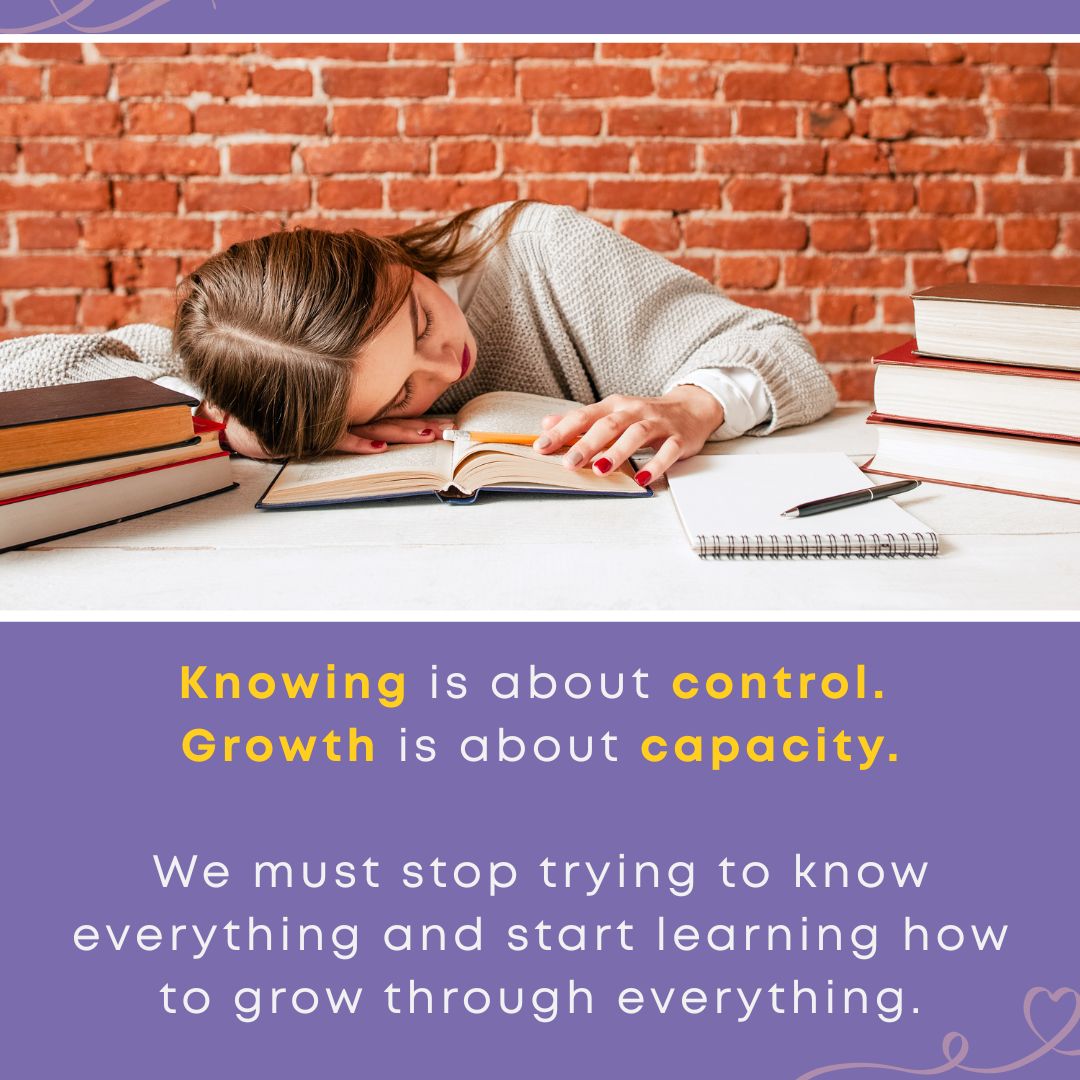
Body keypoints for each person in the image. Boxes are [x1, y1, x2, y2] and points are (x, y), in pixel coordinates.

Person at [1, 201, 836, 485]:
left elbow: (782, 351)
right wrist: (235, 426)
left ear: (383, 254)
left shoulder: (540, 251)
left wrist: (691, 404)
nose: (448, 367)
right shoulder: (252, 358)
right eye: (402, 395)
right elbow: (23, 371)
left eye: (420, 322)